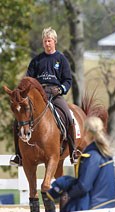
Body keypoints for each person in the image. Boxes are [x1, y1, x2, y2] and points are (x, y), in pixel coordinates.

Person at [10, 27, 81, 166]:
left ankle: (73, 151)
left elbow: (68, 80)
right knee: (18, 121)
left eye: (49, 41)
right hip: (37, 95)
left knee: (68, 115)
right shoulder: (36, 60)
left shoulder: (61, 59)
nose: (47, 43)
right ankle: (18, 155)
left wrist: (60, 89)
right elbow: (27, 79)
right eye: (45, 41)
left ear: (54, 41)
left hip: (55, 94)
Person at [46, 116, 115, 212]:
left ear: (87, 131)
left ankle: (72, 149)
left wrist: (68, 194)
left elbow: (84, 186)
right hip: (108, 203)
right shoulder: (105, 153)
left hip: (95, 205)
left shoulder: (92, 156)